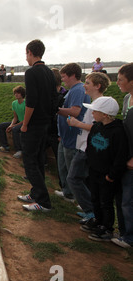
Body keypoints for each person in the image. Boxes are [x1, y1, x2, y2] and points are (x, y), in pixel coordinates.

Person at [16, 39, 57, 212]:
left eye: (26, 54)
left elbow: (30, 102)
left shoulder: (32, 72)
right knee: (39, 159)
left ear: (30, 52)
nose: (26, 58)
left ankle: (44, 201)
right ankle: (35, 193)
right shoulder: (49, 72)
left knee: (30, 161)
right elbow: (53, 99)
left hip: (34, 124)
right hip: (45, 122)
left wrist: (25, 124)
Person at [80, 97, 128, 242]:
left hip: (107, 174)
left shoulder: (118, 132)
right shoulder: (96, 126)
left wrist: (112, 174)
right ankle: (98, 220)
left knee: (105, 201)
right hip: (94, 170)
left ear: (105, 114)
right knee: (95, 197)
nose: (92, 113)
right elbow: (90, 145)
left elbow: (121, 155)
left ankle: (107, 227)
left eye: (95, 111)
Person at [66, 72, 111, 224]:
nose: (84, 85)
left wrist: (77, 124)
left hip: (86, 148)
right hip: (84, 146)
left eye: (88, 83)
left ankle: (91, 211)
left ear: (98, 86)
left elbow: (98, 128)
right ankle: (92, 210)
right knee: (81, 179)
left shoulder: (100, 105)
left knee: (73, 178)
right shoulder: (94, 103)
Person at [55, 63, 91, 203]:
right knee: (63, 167)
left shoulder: (78, 90)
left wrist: (56, 110)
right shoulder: (73, 90)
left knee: (72, 170)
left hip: (73, 137)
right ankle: (68, 193)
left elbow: (75, 111)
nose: (63, 80)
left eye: (64, 77)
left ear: (73, 76)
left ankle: (79, 198)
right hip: (65, 136)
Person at [113, 62, 133, 248]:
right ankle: (124, 232)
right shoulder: (127, 98)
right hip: (124, 154)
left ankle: (129, 238)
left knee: (128, 198)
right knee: (122, 197)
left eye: (121, 80)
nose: (117, 82)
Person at [0, 85, 26, 159]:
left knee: (15, 129)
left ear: (22, 94)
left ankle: (19, 150)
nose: (16, 94)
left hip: (25, 122)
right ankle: (5, 146)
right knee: (1, 126)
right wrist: (11, 125)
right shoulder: (14, 103)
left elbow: (25, 119)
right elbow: (15, 117)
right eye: (15, 93)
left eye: (18, 93)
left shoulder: (26, 103)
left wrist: (13, 126)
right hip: (18, 121)